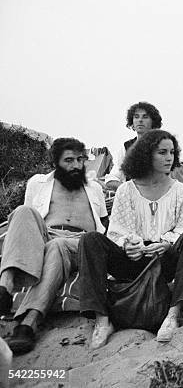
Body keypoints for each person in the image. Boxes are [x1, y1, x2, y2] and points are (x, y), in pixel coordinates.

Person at [79, 130, 183, 348]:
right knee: (90, 240)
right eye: (162, 152)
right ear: (146, 155)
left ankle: (173, 314)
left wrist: (166, 244)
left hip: (164, 258)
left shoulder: (180, 191)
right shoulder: (126, 190)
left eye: (172, 152)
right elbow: (116, 231)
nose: (169, 158)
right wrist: (129, 244)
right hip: (131, 259)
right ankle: (102, 320)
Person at [0, 138, 107, 354]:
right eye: (69, 160)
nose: (76, 165)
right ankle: (5, 287)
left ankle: (28, 323)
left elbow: (103, 223)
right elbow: (28, 222)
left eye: (80, 159)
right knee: (22, 212)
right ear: (55, 162)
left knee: (58, 246)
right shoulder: (38, 183)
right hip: (46, 236)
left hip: (80, 242)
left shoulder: (94, 188)